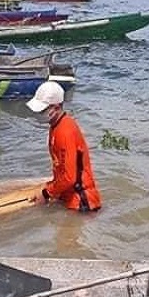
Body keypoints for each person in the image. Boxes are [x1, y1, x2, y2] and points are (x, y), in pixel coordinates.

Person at [26, 81, 102, 213]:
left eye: (42, 110)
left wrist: (46, 194)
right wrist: (50, 190)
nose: (38, 114)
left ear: (55, 107)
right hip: (68, 197)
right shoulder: (56, 126)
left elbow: (69, 177)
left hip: (81, 202)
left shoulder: (65, 131)